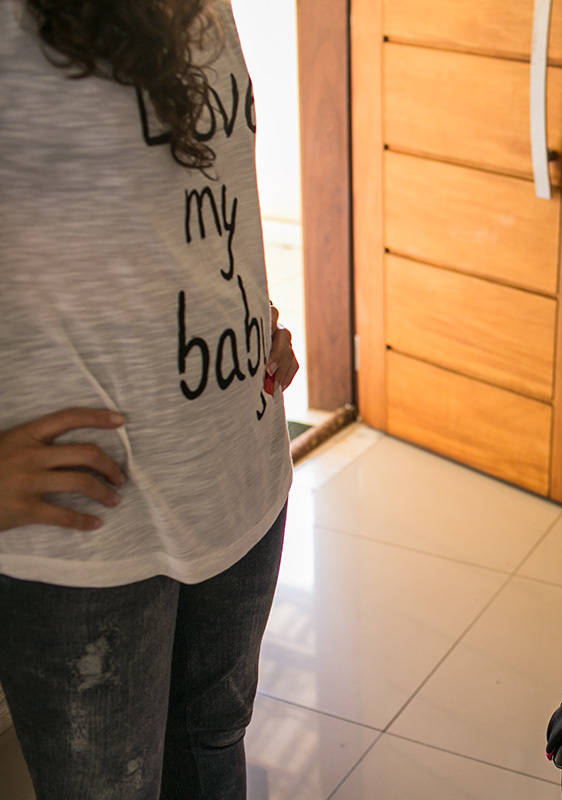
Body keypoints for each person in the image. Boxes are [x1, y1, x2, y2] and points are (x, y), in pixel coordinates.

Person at [0, 1, 296, 797]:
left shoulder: (211, 9)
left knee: (211, 746)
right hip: (89, 534)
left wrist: (246, 315)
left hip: (239, 472)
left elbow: (184, 199)